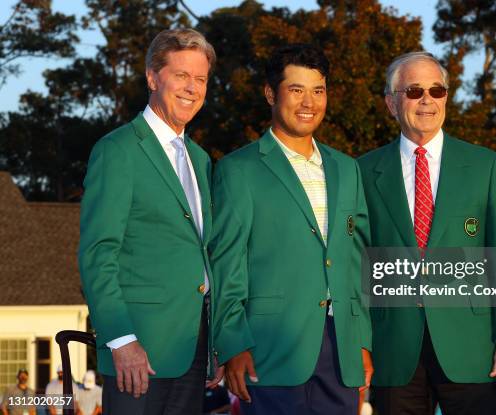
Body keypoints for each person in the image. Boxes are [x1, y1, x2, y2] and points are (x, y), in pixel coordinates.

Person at [358, 51, 496, 414]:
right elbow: (356, 265)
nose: (427, 100)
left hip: (471, 349)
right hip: (393, 350)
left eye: (437, 90)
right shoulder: (362, 171)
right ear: (391, 102)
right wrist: (358, 342)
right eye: (415, 90)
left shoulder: (485, 166)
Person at [210, 43, 373, 415]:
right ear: (271, 93)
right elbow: (226, 264)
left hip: (340, 352)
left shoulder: (348, 170)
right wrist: (233, 343)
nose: (309, 102)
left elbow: (357, 260)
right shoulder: (239, 170)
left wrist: (361, 340)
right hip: (270, 350)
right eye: (296, 89)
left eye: (318, 90)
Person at [78, 28, 219, 414]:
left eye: (201, 79)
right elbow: (97, 253)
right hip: (138, 354)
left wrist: (216, 344)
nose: (192, 88)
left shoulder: (201, 160)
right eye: (181, 75)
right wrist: (121, 340)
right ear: (153, 77)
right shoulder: (118, 150)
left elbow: (202, 254)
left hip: (192, 352)